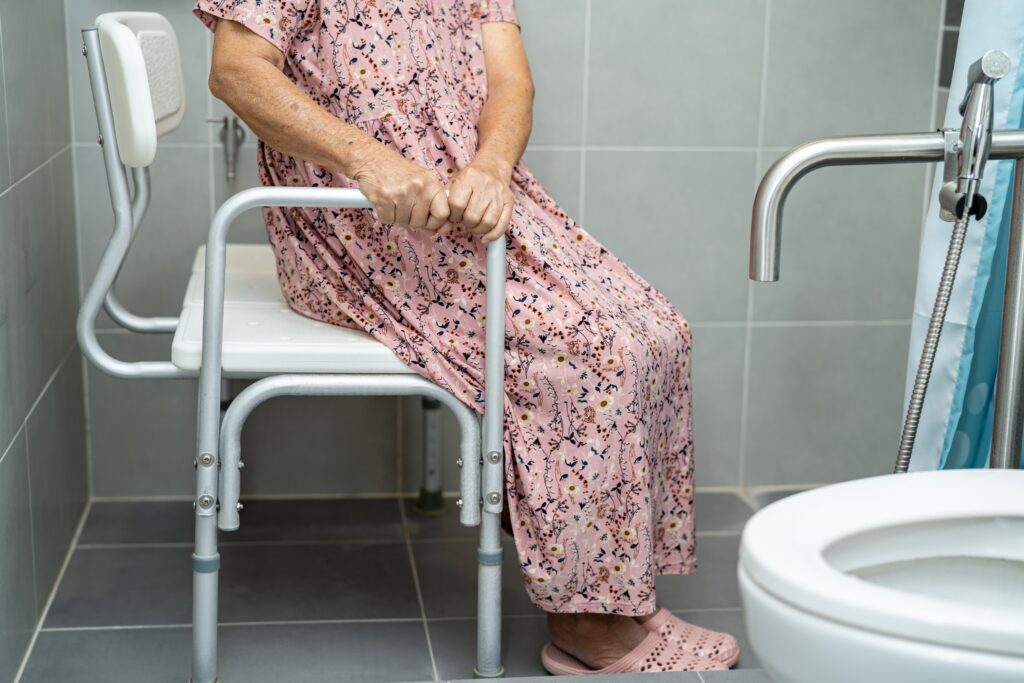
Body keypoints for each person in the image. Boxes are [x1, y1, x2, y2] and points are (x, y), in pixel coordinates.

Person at [194, 0, 738, 674]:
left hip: (468, 202)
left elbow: (511, 82)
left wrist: (492, 167)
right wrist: (370, 161)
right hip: (354, 220)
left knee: (656, 328)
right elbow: (237, 72)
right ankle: (586, 624)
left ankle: (618, 592)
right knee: (586, 350)